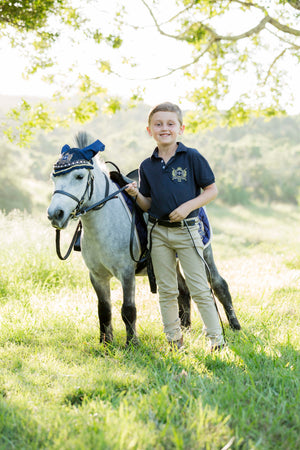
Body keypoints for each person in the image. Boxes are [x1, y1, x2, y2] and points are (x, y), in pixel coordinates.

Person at [126, 102, 225, 351]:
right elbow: (148, 204)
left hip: (188, 231)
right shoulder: (146, 165)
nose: (164, 128)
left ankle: (217, 340)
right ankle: (174, 340)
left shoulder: (191, 157)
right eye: (158, 124)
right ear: (149, 130)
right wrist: (136, 194)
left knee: (199, 287)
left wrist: (188, 207)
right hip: (157, 233)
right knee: (167, 290)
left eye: (170, 124)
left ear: (180, 128)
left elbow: (211, 190)